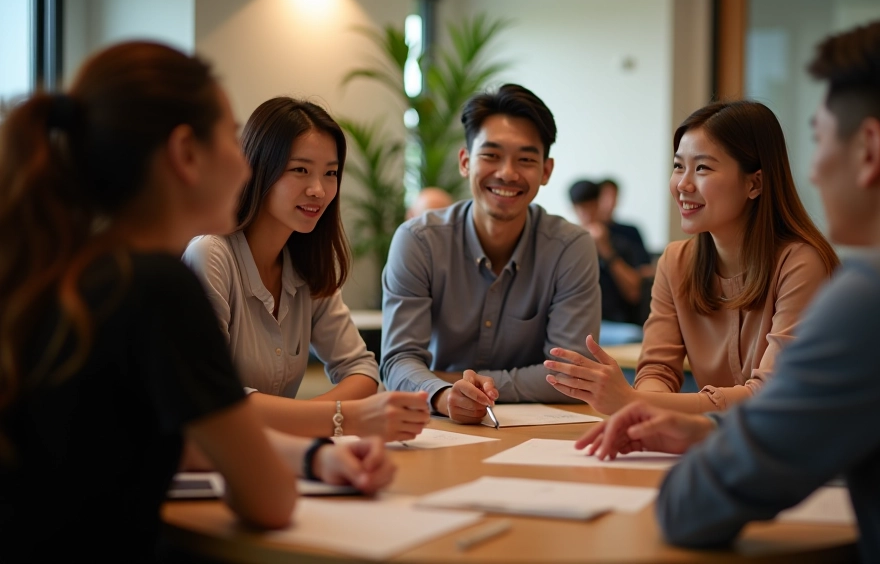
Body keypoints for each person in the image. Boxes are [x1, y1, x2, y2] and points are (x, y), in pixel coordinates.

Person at [577, 13, 880, 563]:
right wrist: (712, 431)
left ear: (870, 150)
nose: (811, 172)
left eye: (820, 139)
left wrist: (707, 437)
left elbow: (690, 506)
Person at [0, 42, 393, 562]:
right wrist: (331, 431)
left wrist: (316, 455)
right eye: (233, 140)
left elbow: (187, 435)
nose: (244, 165)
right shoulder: (157, 286)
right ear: (186, 154)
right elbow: (268, 501)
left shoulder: (66, 269)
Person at [546, 100, 838, 415]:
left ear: (754, 183)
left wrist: (636, 402)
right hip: (718, 444)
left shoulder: (801, 263)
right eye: (678, 166)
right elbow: (657, 371)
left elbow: (773, 396)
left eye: (702, 168)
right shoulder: (675, 262)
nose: (682, 185)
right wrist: (642, 408)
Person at [184, 97, 429, 442]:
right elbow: (212, 402)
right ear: (258, 168)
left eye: (330, 173)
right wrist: (341, 417)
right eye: (300, 170)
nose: (319, 190)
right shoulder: (210, 255)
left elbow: (361, 370)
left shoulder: (309, 262)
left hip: (279, 456)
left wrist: (320, 420)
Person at [381, 83, 600, 424]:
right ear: (466, 162)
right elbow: (398, 360)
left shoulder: (570, 248)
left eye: (526, 159)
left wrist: (460, 382)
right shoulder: (419, 241)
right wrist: (443, 395)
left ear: (546, 171)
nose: (507, 173)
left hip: (535, 430)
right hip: (438, 422)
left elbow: (571, 373)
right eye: (491, 155)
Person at [569, 179, 649, 344]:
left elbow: (634, 292)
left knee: (632, 336)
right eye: (581, 208)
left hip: (616, 325)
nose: (586, 214)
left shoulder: (621, 242)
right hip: (577, 324)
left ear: (599, 204)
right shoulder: (567, 244)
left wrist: (606, 250)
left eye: (590, 206)